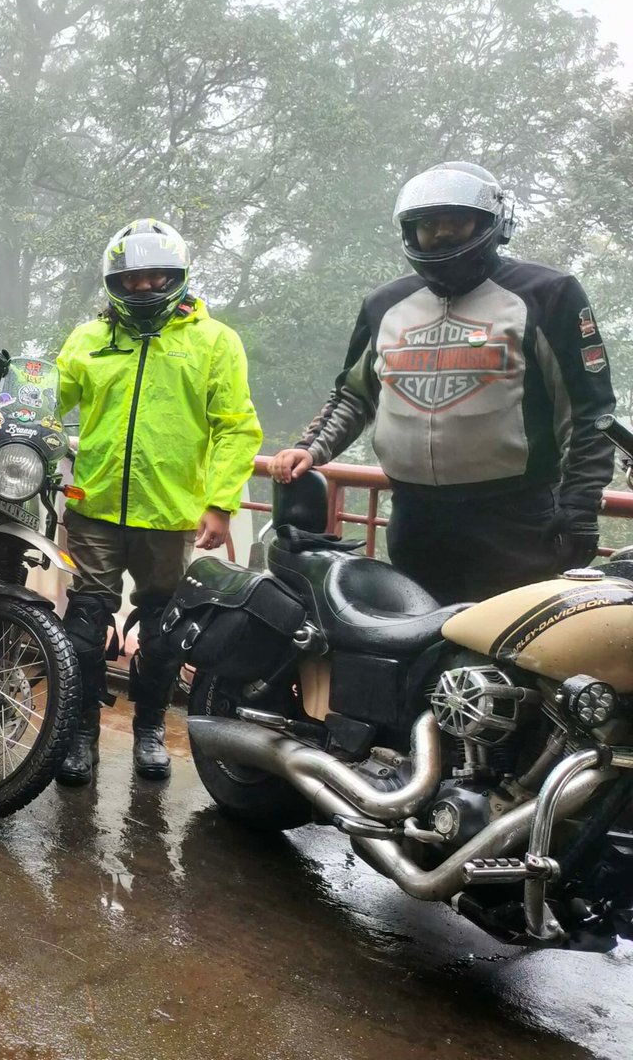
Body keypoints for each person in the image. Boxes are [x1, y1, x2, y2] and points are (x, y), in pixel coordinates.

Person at [270, 161, 615, 604]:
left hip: (516, 518)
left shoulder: (548, 294)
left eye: (457, 220)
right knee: (417, 634)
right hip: (415, 517)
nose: (442, 234)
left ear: (491, 223)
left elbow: (589, 412)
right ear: (410, 231)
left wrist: (580, 505)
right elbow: (354, 394)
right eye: (428, 225)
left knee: (510, 642)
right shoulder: (384, 304)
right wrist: (311, 448)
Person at [55, 219, 261, 783]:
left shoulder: (214, 341)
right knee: (84, 623)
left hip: (171, 514)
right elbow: (47, 399)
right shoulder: (88, 339)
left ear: (178, 277)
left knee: (163, 629)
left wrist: (220, 502)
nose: (144, 287)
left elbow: (236, 427)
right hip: (94, 504)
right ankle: (80, 733)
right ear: (114, 283)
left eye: (156, 277)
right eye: (132, 279)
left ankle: (149, 730)